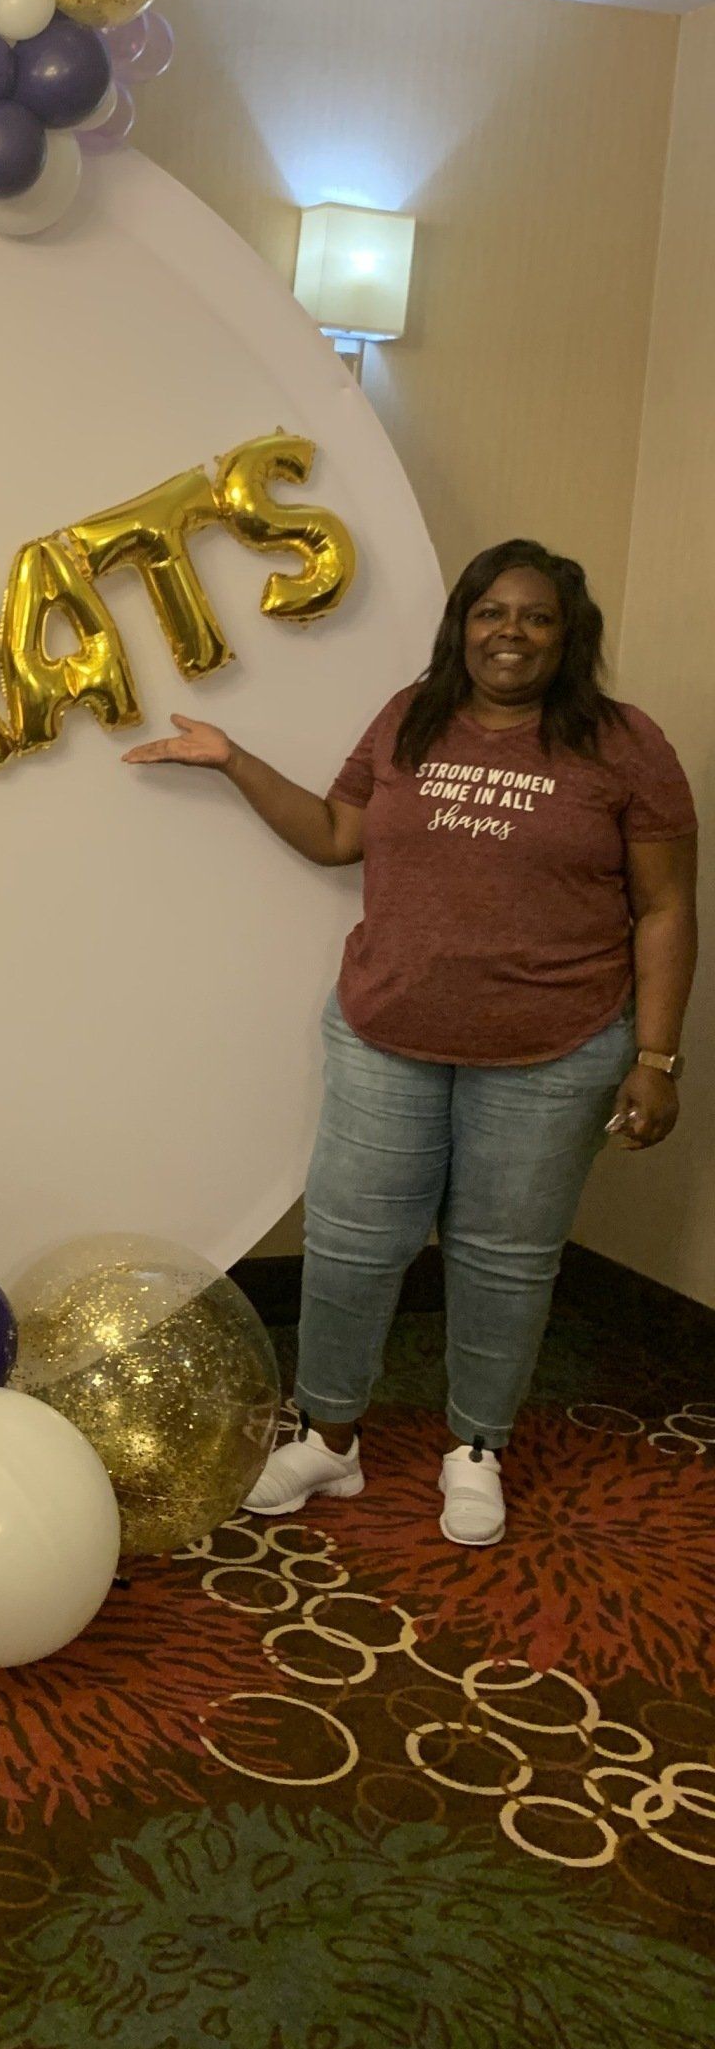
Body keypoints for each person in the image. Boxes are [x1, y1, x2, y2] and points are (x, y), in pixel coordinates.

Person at [124, 539, 697, 1546]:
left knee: (502, 1259)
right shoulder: (410, 715)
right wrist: (235, 762)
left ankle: (476, 1447)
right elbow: (338, 834)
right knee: (350, 1243)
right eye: (490, 612)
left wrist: (656, 1056)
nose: (509, 633)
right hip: (389, 1029)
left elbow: (666, 907)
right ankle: (329, 1438)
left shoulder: (624, 745)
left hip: (557, 1047)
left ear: (569, 636)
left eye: (535, 617)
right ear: (462, 623)